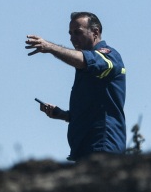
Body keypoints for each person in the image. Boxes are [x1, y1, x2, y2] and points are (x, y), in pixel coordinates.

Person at [25, 12, 127, 159]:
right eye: (70, 34)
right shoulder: (86, 66)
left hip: (103, 146)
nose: (72, 39)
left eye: (77, 33)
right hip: (85, 149)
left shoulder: (108, 56)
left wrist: (49, 47)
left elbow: (87, 61)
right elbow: (94, 108)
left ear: (95, 32)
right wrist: (64, 115)